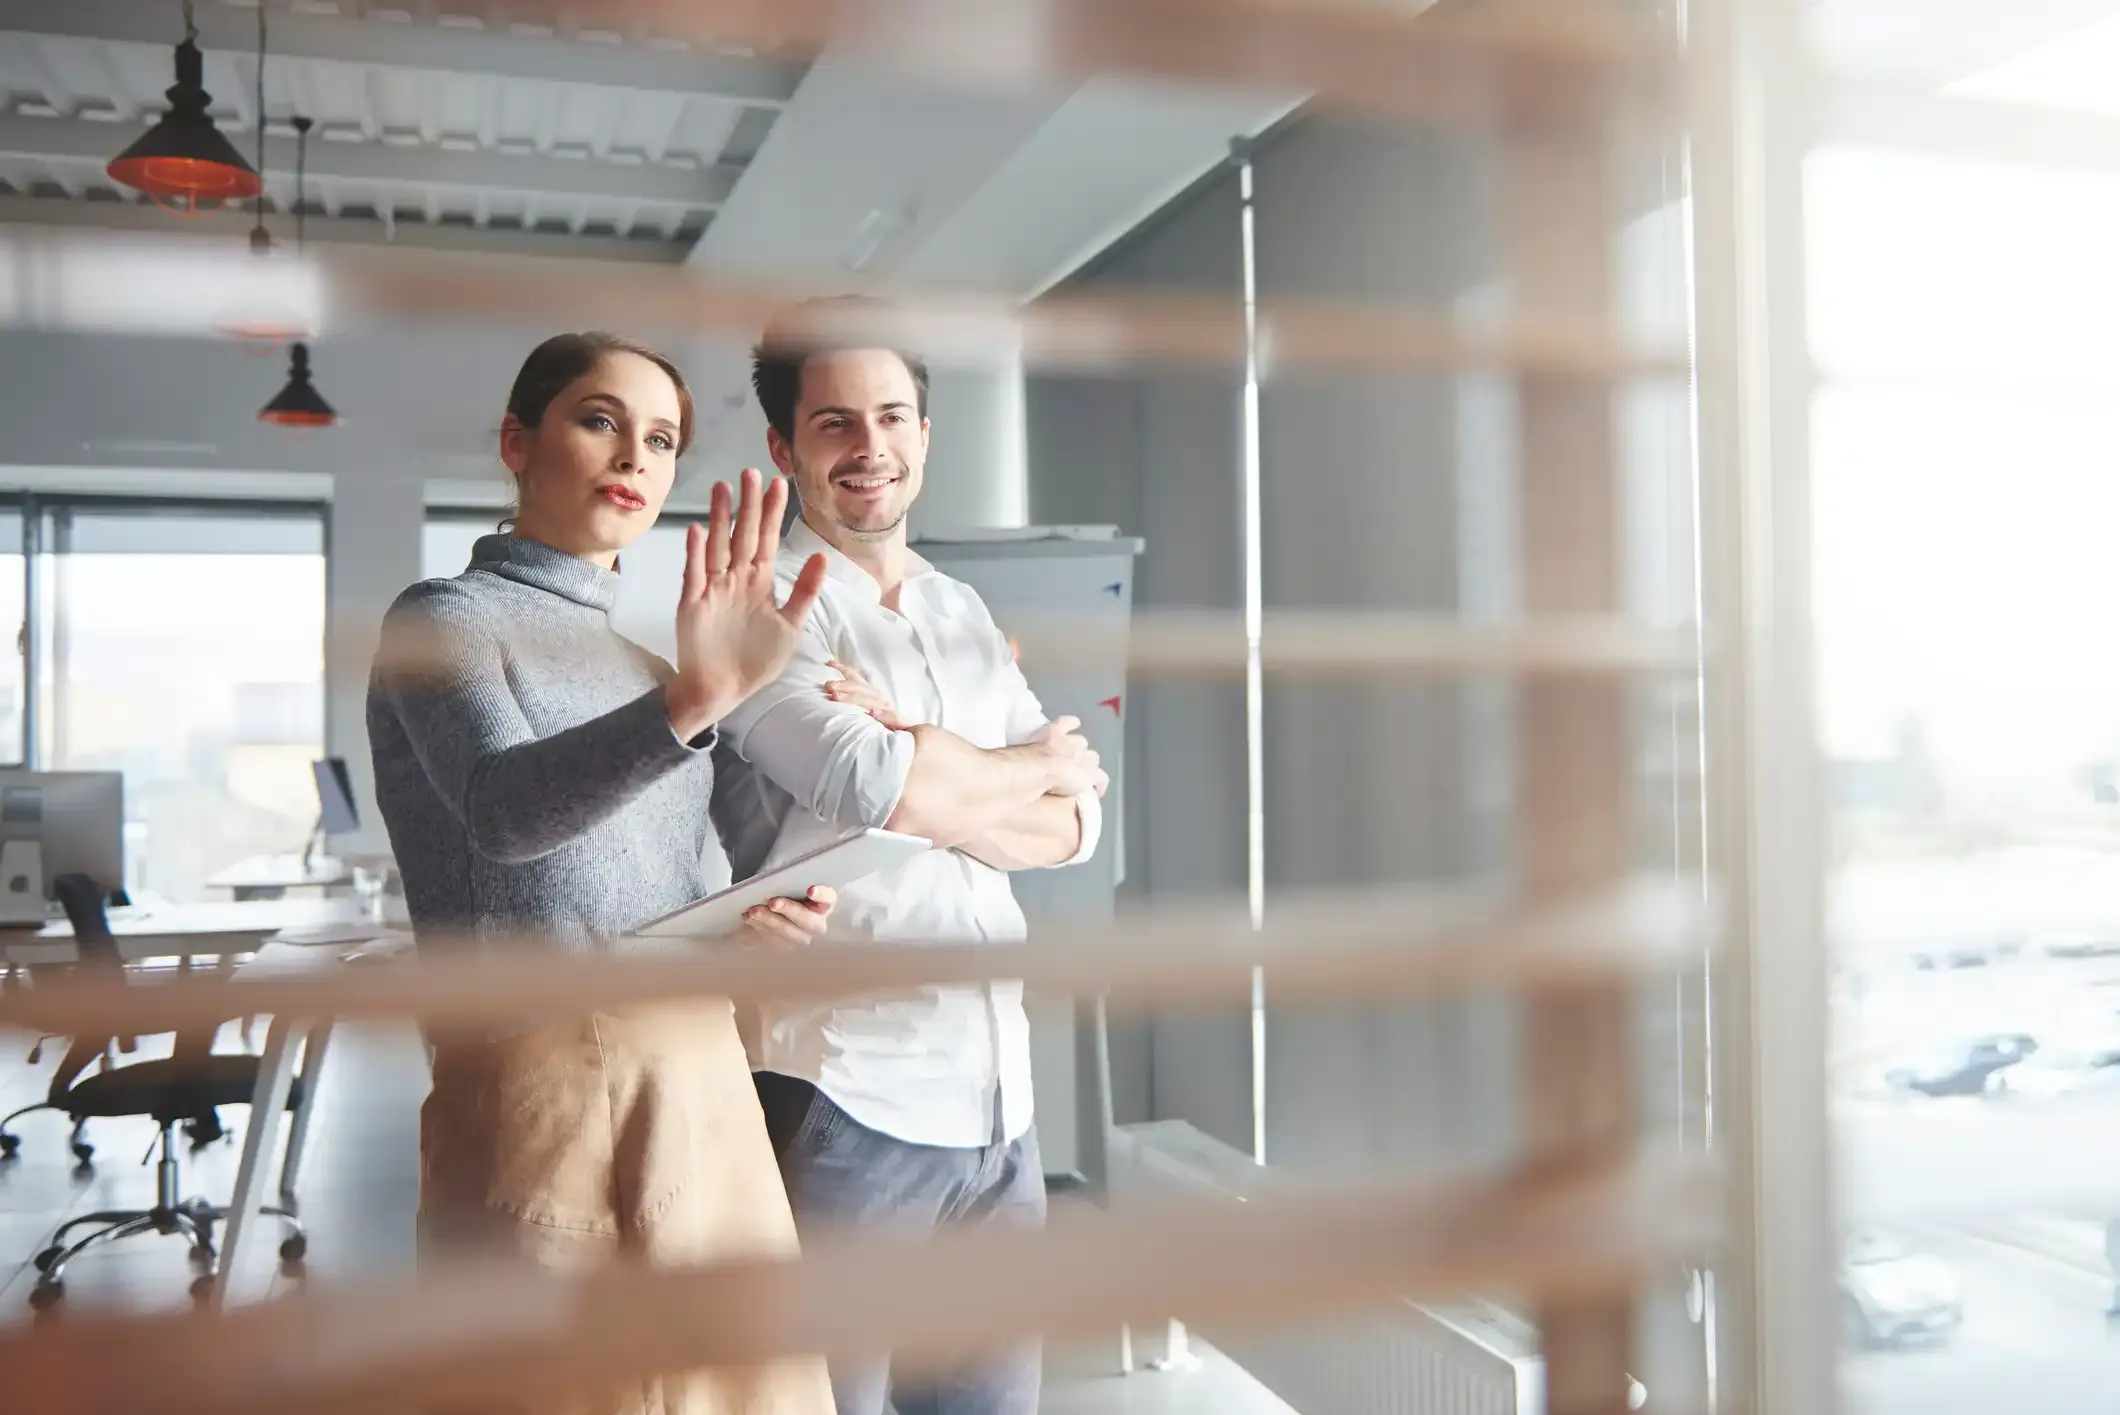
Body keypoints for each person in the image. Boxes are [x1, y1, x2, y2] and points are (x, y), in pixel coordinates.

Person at [366, 331, 836, 1415]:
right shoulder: (442, 618)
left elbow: (683, 880)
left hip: (695, 1071)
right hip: (538, 1086)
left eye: (662, 437)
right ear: (516, 441)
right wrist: (694, 701)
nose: (634, 454)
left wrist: (747, 916)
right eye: (598, 419)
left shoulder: (648, 668)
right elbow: (503, 812)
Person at [712, 299, 1107, 1415]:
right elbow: (876, 789)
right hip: (846, 1098)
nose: (869, 446)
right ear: (785, 450)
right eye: (834, 423)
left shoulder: (961, 607)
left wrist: (931, 757)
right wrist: (994, 761)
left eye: (891, 416)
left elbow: (1076, 826)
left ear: (926, 436)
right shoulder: (761, 618)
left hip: (996, 1109)